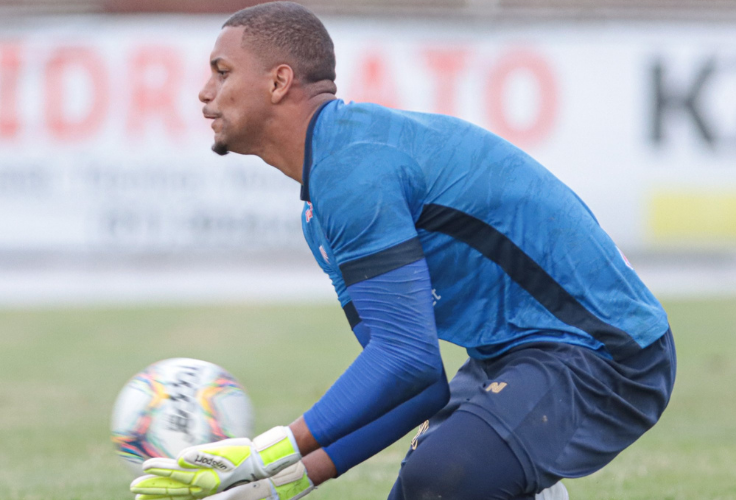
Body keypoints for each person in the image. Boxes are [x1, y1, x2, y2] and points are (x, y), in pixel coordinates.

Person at [129, 3, 676, 500]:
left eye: (221, 71)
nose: (204, 92)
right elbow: (415, 384)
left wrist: (264, 454)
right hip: (514, 353)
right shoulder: (323, 201)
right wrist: (284, 484)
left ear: (278, 82)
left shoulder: (352, 168)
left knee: (442, 479)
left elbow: (405, 359)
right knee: (422, 490)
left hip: (609, 354)